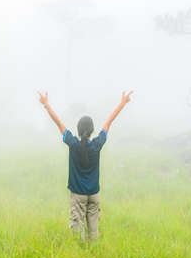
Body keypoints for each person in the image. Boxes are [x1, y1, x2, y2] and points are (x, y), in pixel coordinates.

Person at [38, 91, 133, 241]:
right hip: (94, 194)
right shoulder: (97, 144)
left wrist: (46, 105)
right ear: (92, 130)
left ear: (78, 129)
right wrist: (122, 103)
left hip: (78, 195)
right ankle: (94, 252)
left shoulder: (73, 143)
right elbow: (109, 122)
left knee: (78, 231)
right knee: (94, 231)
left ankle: (80, 256)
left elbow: (59, 123)